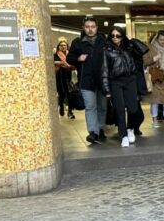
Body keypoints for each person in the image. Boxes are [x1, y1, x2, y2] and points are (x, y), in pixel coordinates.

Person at [66, 15, 108, 144]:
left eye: (93, 27)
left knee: (102, 106)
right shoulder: (77, 42)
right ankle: (93, 132)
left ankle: (100, 129)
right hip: (86, 80)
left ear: (97, 28)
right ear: (83, 28)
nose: (90, 29)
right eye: (87, 27)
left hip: (102, 80)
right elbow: (69, 58)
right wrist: (78, 58)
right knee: (90, 106)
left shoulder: (103, 41)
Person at [100, 28, 145, 147]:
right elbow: (104, 70)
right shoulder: (106, 50)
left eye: (118, 35)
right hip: (116, 82)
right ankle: (124, 135)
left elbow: (144, 50)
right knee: (119, 110)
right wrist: (107, 90)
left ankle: (130, 128)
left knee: (133, 109)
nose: (115, 37)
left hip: (130, 80)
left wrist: (132, 40)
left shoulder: (129, 47)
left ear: (122, 36)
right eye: (113, 35)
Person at [53, 38, 75, 119]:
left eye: (65, 45)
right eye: (61, 45)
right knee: (62, 94)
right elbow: (53, 61)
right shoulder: (56, 55)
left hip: (68, 76)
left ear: (67, 46)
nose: (63, 47)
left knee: (70, 94)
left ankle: (70, 111)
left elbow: (73, 63)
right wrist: (61, 62)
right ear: (58, 46)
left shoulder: (70, 55)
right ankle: (61, 106)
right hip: (59, 77)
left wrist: (67, 64)